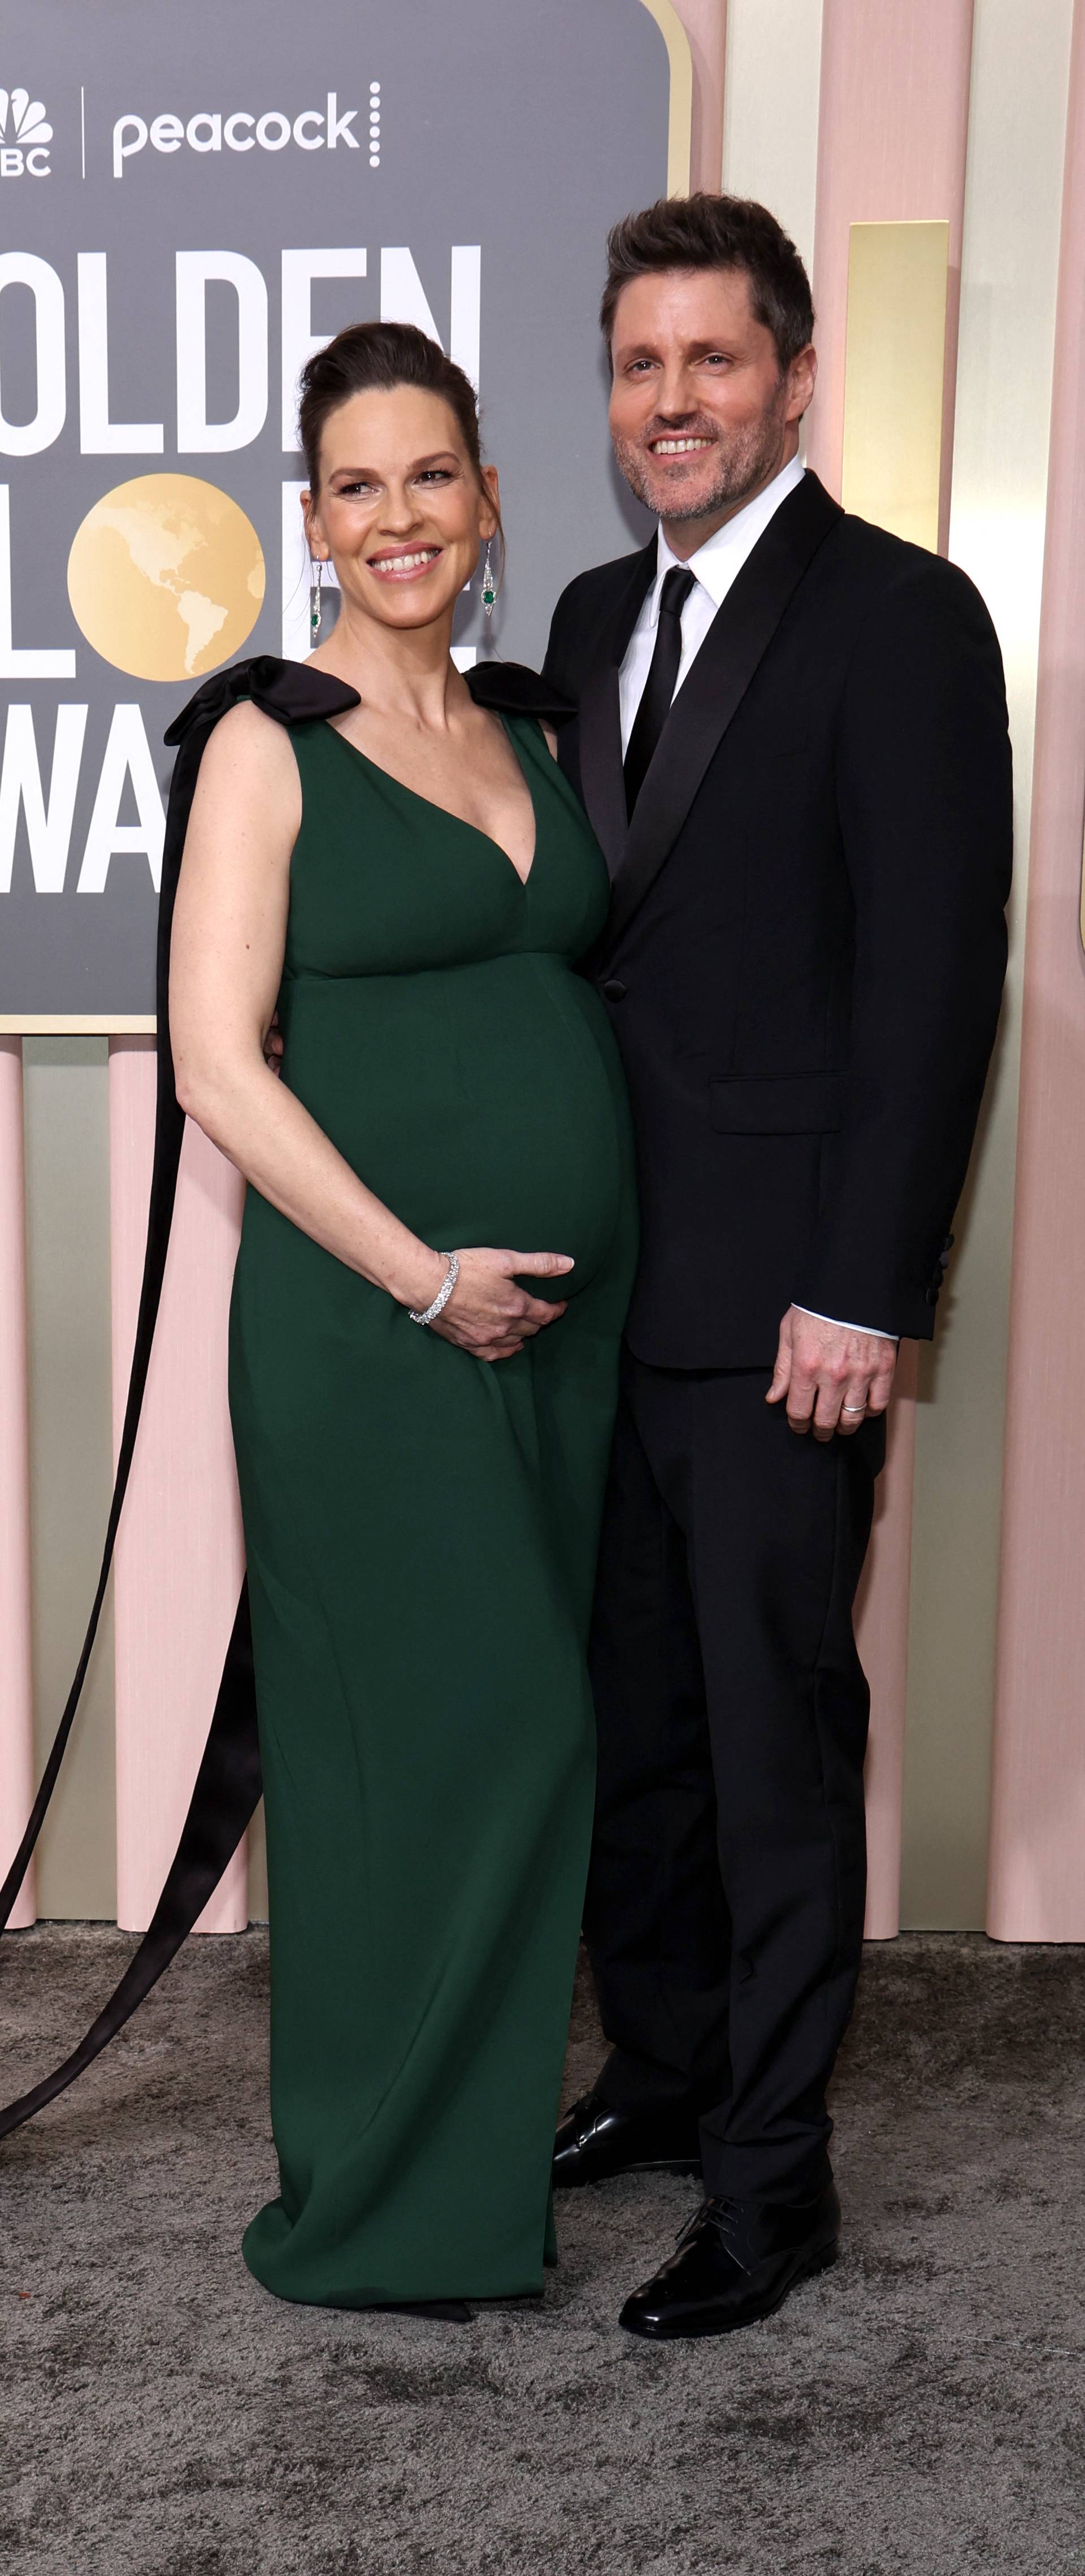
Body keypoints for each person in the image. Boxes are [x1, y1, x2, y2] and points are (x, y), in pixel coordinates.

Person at [0, 319, 638, 2312]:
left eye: (429, 476)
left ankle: (454, 2173)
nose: (398, 519)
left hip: (568, 1337)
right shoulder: (265, 742)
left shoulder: (536, 730)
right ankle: (383, 2198)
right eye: (355, 487)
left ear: (488, 497)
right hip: (378, 1333)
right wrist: (424, 1273)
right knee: (431, 1747)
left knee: (510, 1738)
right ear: (310, 521)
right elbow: (217, 1064)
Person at [544, 194, 1012, 2340]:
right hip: (596, 1297)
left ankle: (774, 2182)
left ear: (794, 375)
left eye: (713, 361)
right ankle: (663, 2069)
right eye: (642, 366)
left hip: (785, 1322)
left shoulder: (904, 620)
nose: (675, 402)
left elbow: (935, 984)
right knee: (637, 1733)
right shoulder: (572, 618)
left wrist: (865, 1286)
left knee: (769, 1745)